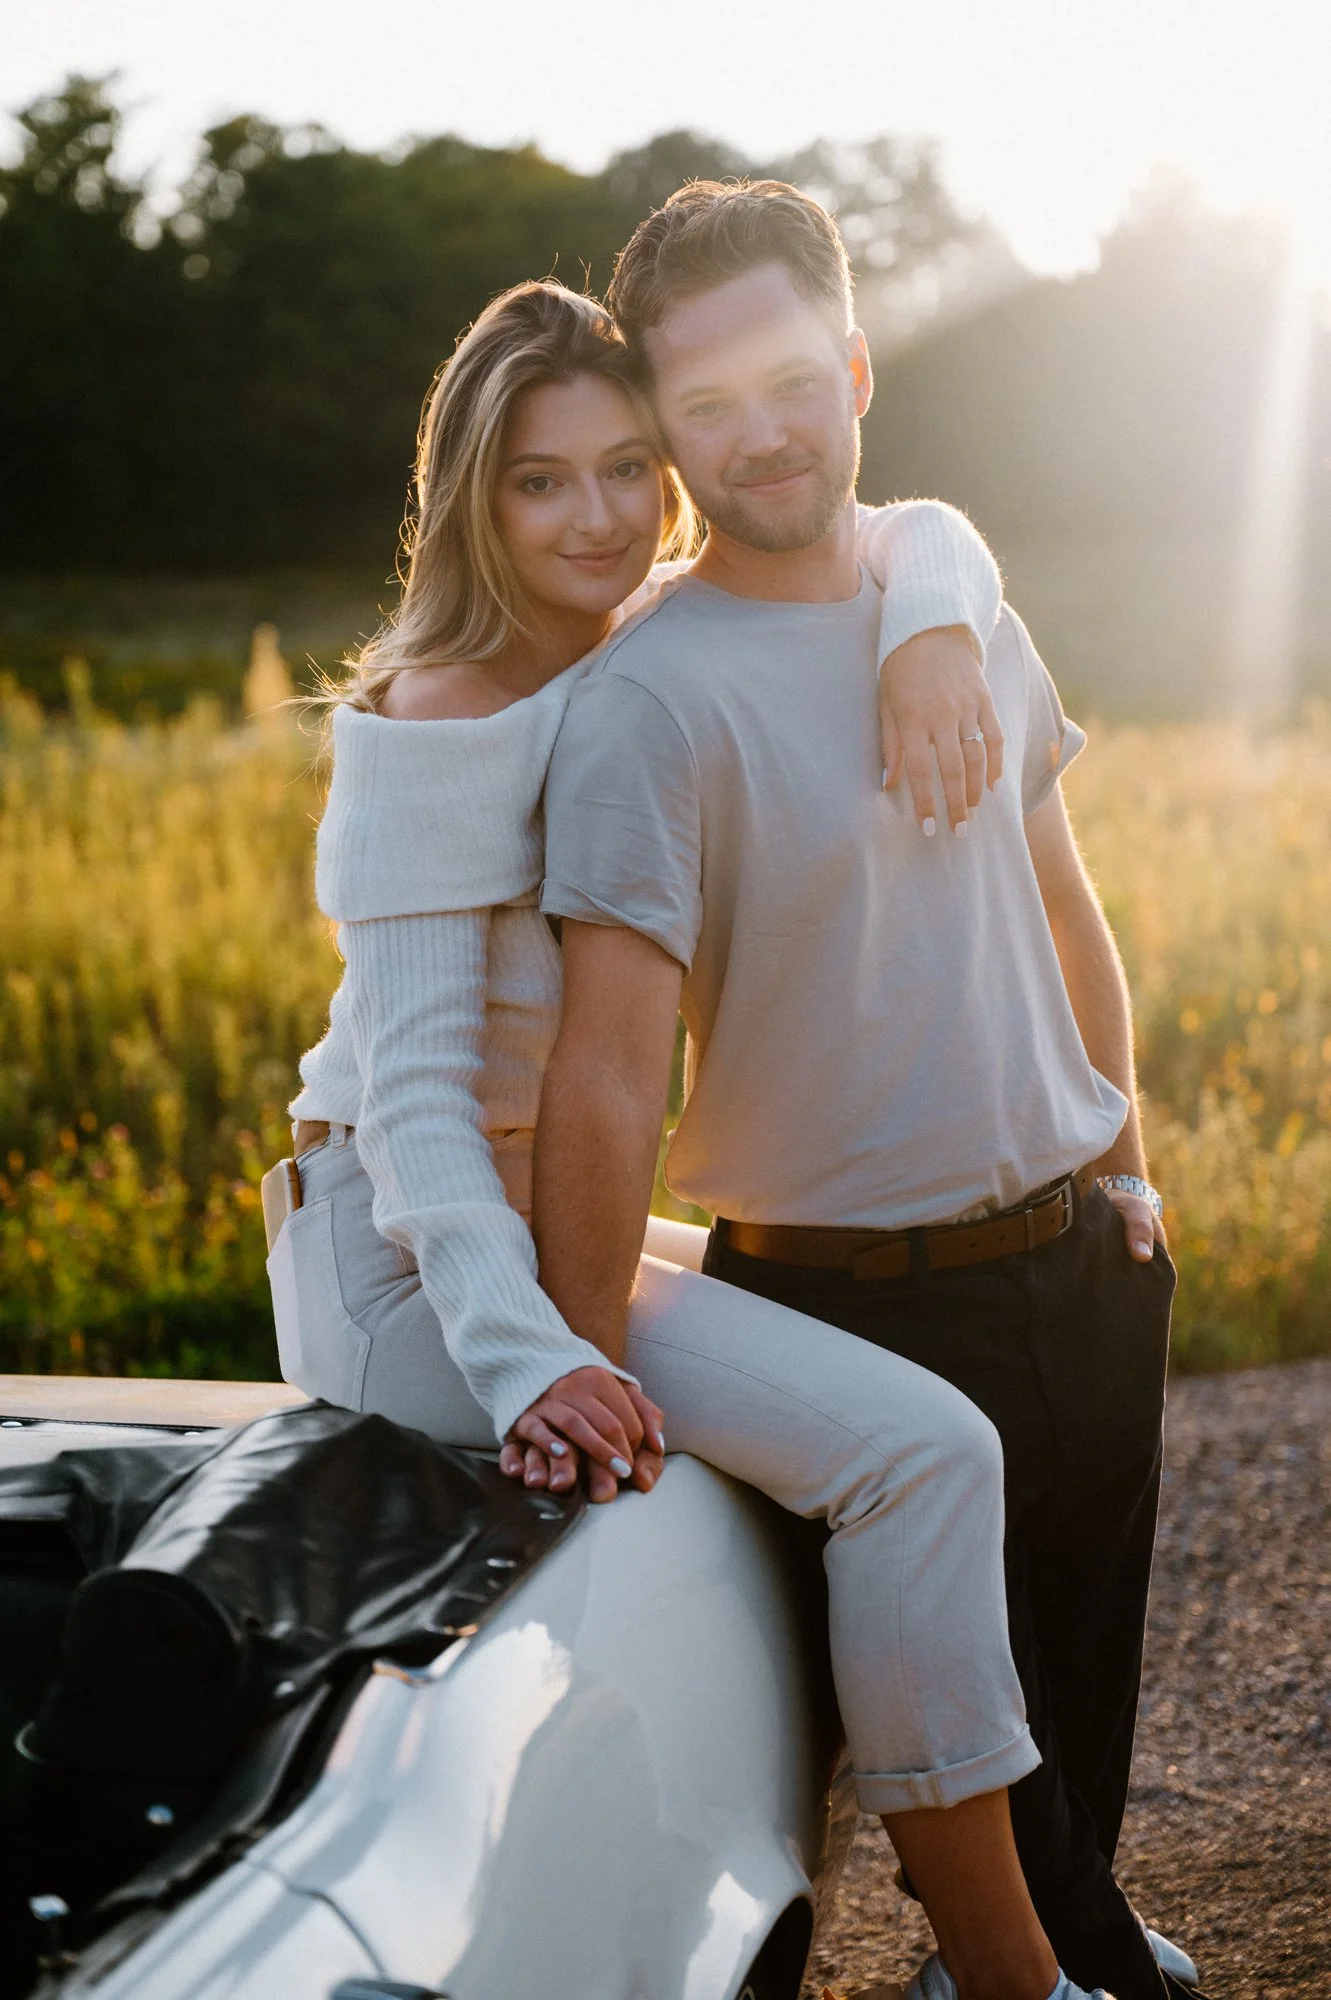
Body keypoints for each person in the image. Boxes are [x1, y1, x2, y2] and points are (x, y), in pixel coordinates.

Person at [271, 278, 1112, 2000]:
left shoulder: (626, 634)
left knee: (846, 1410)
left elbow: (909, 522)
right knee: (921, 1451)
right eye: (537, 480)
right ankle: (1010, 1975)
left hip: (513, 1206)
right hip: (399, 1245)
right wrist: (528, 1363)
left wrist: (933, 617)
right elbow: (417, 1098)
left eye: (622, 467)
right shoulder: (437, 710)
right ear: (471, 499)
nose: (593, 516)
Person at [533, 184, 1202, 2000]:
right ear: (666, 437)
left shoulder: (949, 600)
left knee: (1081, 1658)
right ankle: (1055, 1966)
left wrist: (1127, 1184)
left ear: (850, 371)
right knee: (924, 1699)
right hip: (844, 1298)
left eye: (781, 384)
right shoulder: (647, 701)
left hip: (1078, 1252)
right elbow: (605, 1066)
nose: (753, 436)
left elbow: (1067, 916)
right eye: (701, 410)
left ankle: (1067, 1924)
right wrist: (571, 1356)